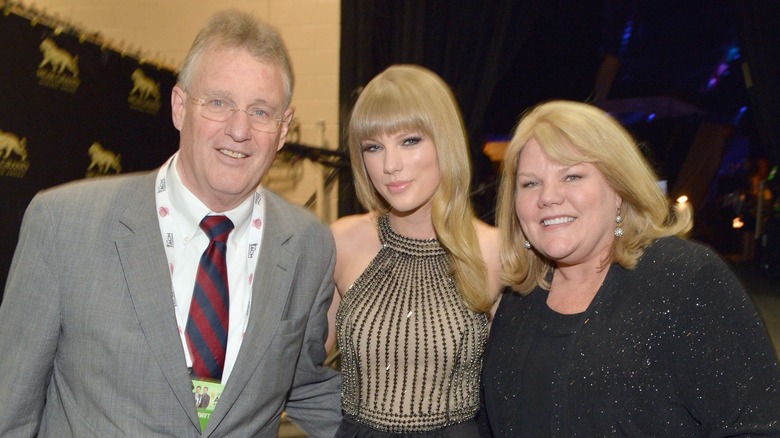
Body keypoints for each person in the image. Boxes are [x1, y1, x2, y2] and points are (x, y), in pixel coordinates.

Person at [0, 9, 341, 437]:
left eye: (261, 111)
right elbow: (9, 410)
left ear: (284, 127)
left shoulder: (309, 246)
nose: (239, 130)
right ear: (180, 107)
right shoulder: (64, 225)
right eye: (219, 102)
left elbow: (303, 382)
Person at [479, 100, 780, 436]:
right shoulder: (520, 297)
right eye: (530, 183)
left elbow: (757, 426)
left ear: (619, 189)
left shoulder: (684, 279)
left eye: (572, 176)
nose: (548, 196)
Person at [329, 64, 503, 436]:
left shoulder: (495, 252)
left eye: (410, 141)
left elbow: (517, 387)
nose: (391, 165)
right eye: (374, 147)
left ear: (446, 141)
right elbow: (292, 367)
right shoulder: (342, 242)